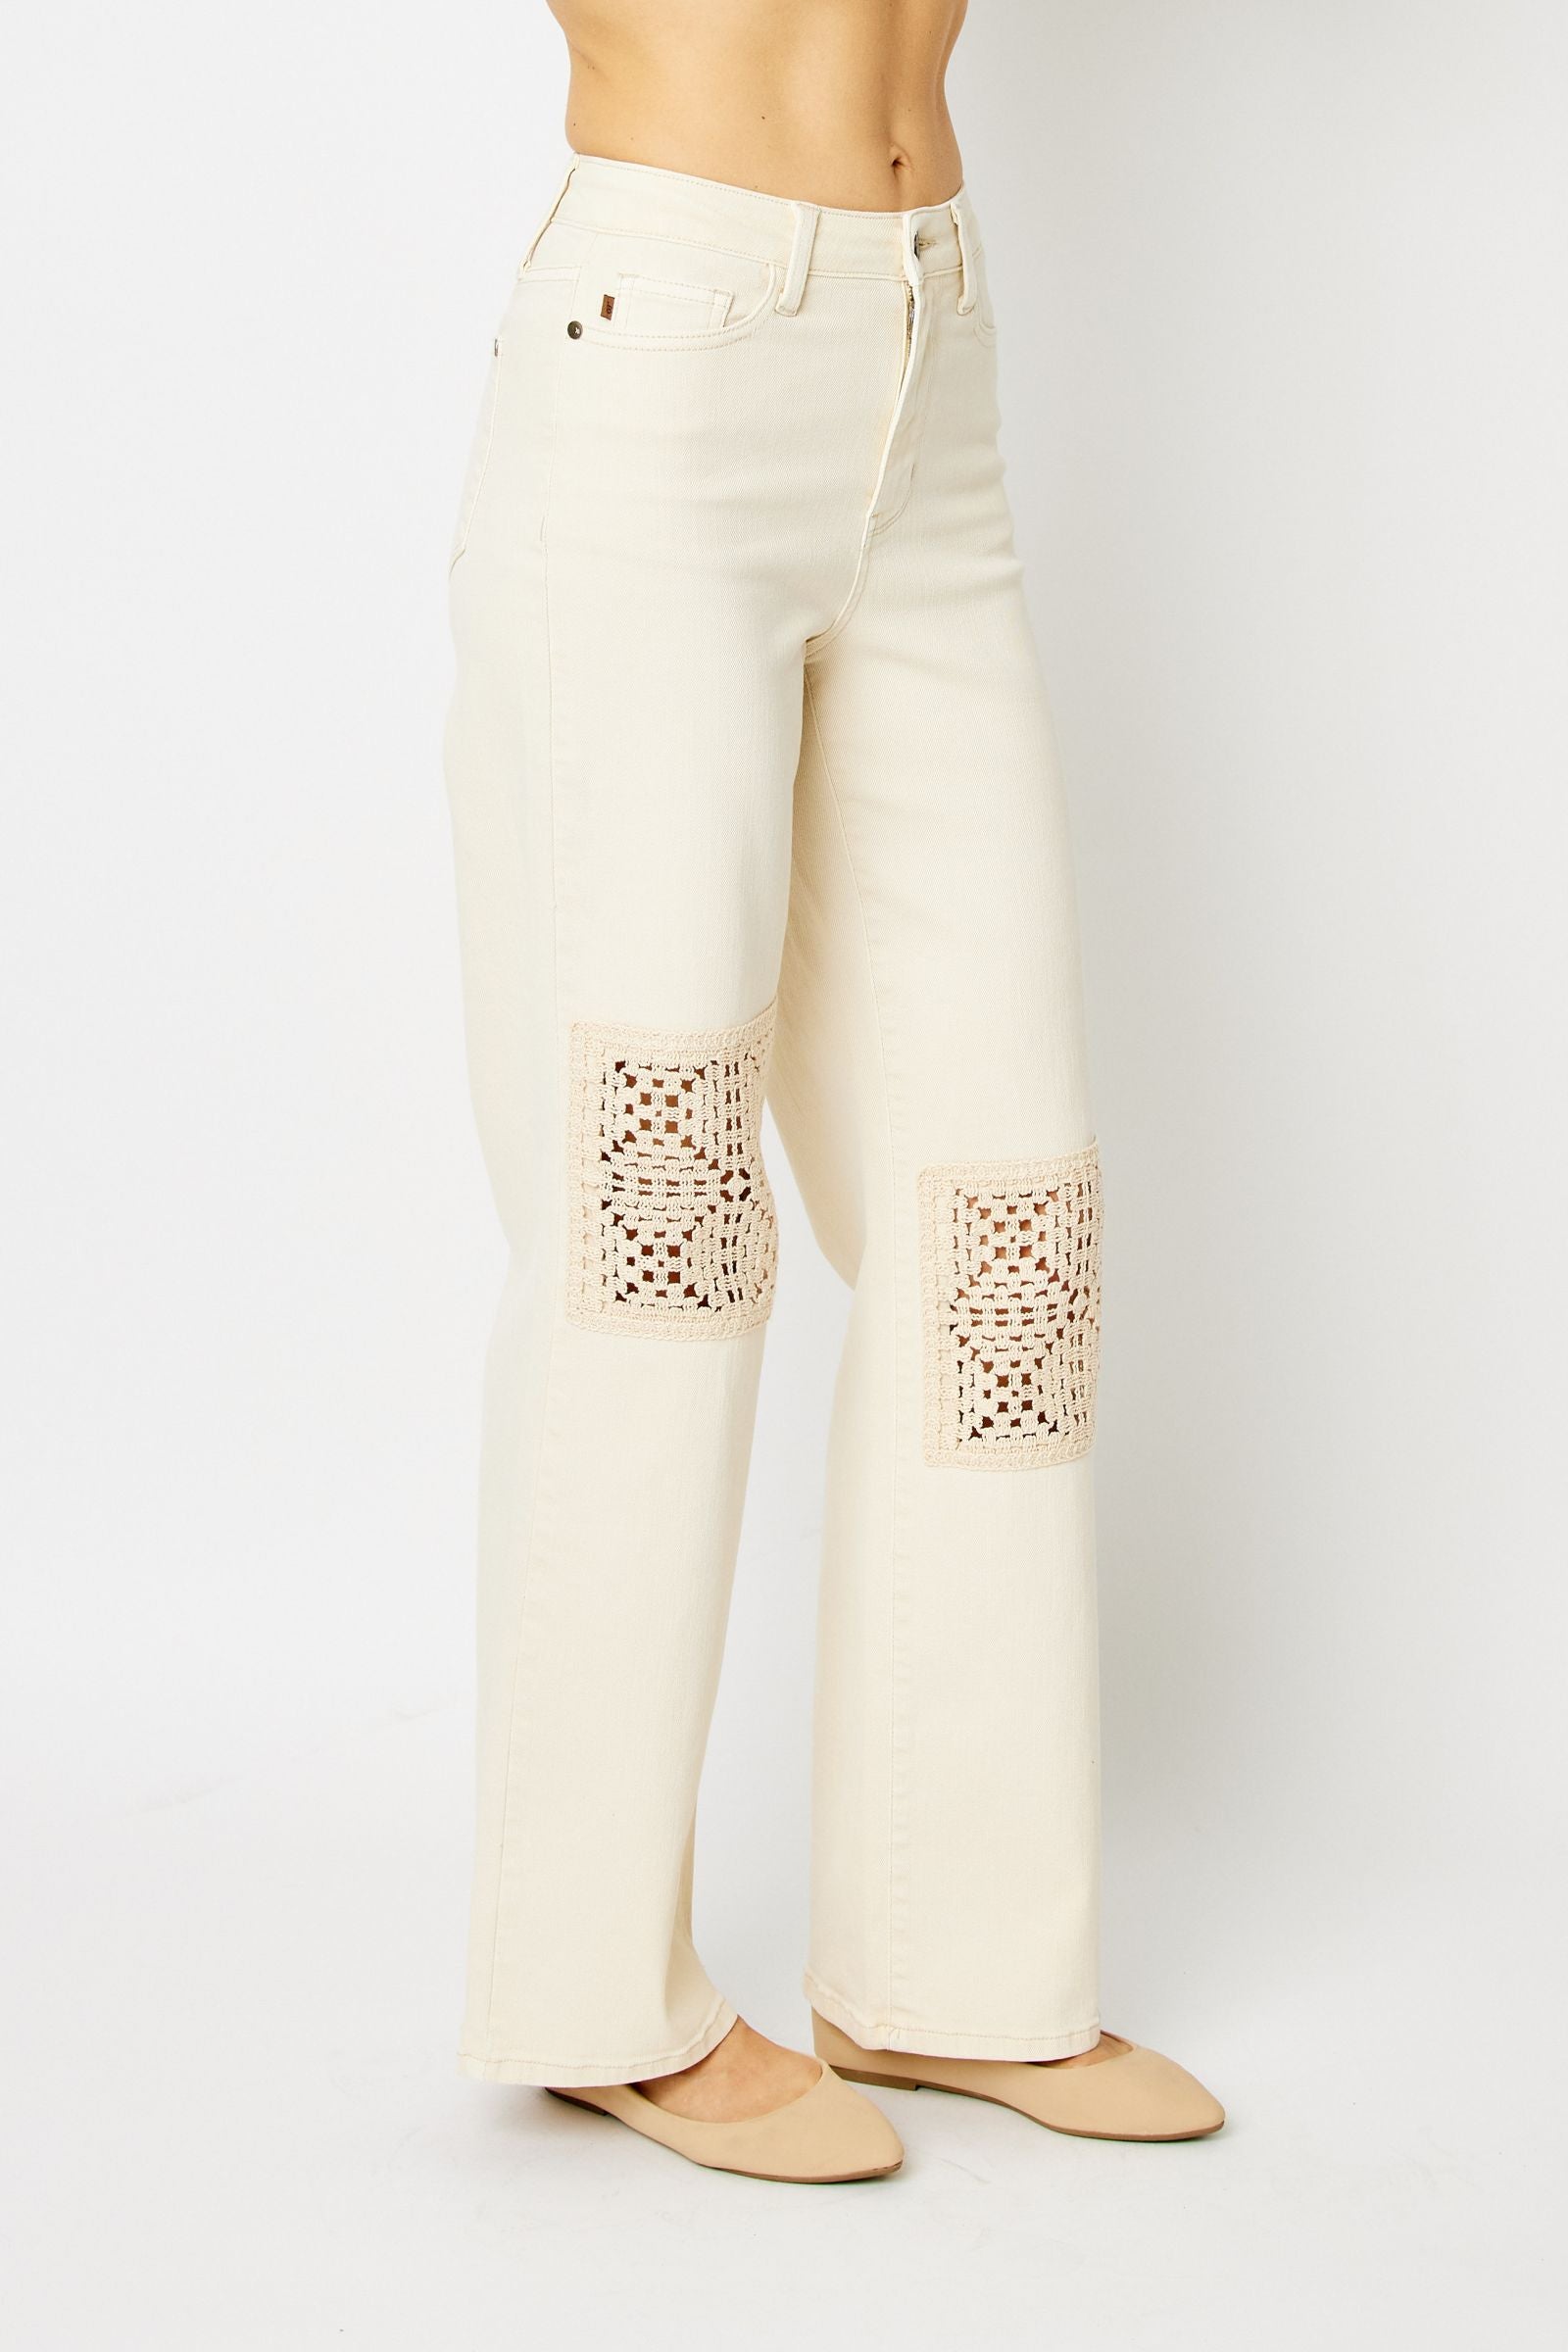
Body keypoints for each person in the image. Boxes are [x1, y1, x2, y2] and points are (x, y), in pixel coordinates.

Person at [441, 0, 1225, 2180]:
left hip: (926, 360)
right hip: (665, 357)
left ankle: (949, 1967)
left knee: (999, 1221)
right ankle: (593, 1989)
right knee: (657, 1221)